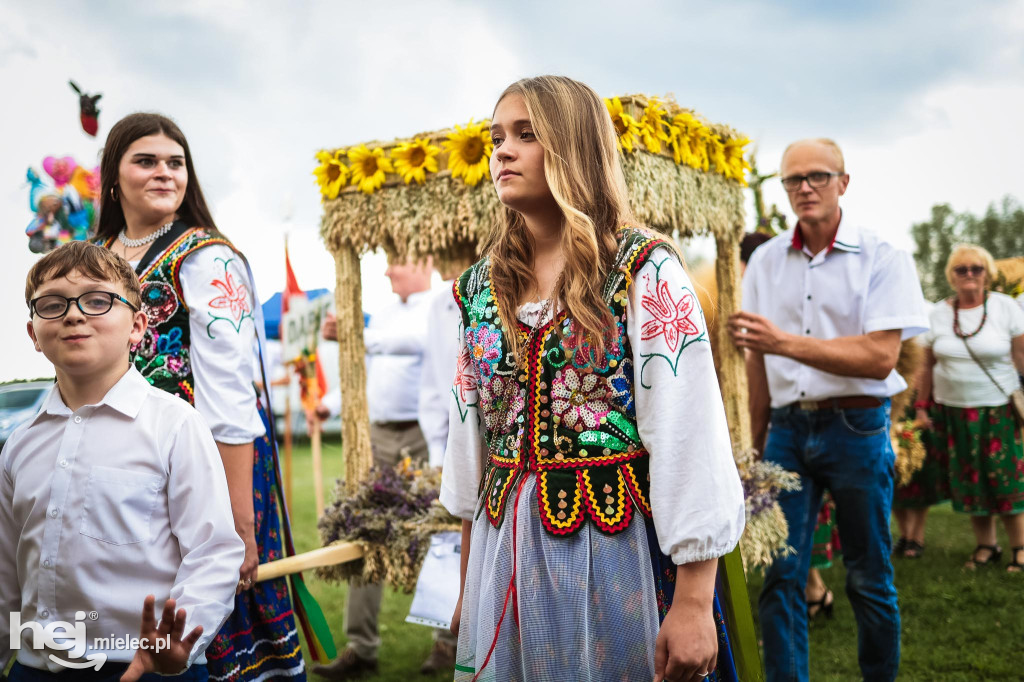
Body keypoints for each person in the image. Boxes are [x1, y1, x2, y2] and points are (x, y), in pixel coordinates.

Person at [441, 76, 746, 682]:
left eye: (526, 135)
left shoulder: (642, 269)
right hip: (505, 548)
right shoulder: (479, 288)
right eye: (496, 136)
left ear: (575, 147)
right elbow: (467, 439)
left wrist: (692, 602)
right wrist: (467, 583)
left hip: (615, 547)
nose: (501, 150)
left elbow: (690, 432)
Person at [94, 113, 306, 681]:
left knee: (204, 595)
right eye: (146, 160)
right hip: (112, 458)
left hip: (204, 462)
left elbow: (230, 396)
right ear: (113, 176)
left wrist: (239, 522)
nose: (164, 172)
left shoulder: (206, 258)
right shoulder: (97, 256)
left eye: (176, 162)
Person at [729, 138, 928, 682]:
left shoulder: (883, 257)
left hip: (857, 425)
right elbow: (757, 363)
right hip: (787, 432)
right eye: (793, 180)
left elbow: (879, 356)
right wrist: (756, 441)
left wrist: (782, 342)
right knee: (780, 574)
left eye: (817, 176)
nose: (804, 188)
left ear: (844, 182)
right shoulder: (765, 261)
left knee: (868, 574)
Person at [1, 242, 244, 681]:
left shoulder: (176, 426)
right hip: (35, 667)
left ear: (137, 325)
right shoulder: (20, 444)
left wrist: (180, 641)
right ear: (34, 334)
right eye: (52, 304)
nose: (74, 315)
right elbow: (5, 572)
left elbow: (213, 553)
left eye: (98, 301)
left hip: (146, 665)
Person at [311, 257, 456, 679]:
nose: (388, 272)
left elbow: (413, 343)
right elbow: (364, 371)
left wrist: (356, 334)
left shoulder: (440, 303)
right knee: (365, 530)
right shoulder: (386, 314)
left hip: (424, 437)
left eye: (398, 263)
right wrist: (330, 405)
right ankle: (362, 646)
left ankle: (446, 641)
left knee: (439, 534)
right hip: (378, 436)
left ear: (425, 263)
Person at [915, 244, 1024, 571]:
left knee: (1004, 479)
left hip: (997, 409)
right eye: (962, 269)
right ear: (952, 275)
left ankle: (1020, 548)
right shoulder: (937, 314)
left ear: (987, 273)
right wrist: (921, 407)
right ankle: (985, 546)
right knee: (970, 480)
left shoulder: (1005, 308)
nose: (970, 275)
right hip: (954, 411)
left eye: (976, 268)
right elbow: (925, 367)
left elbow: (1021, 358)